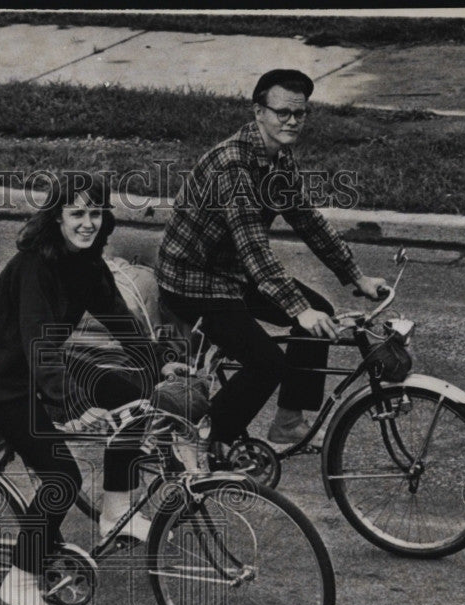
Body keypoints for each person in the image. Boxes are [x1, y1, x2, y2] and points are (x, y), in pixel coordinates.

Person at [0, 174, 158, 605]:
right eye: (76, 214)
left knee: (131, 393)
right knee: (62, 476)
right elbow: (37, 344)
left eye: (95, 213)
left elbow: (121, 322)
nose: (87, 223)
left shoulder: (88, 264)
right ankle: (21, 580)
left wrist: (159, 367)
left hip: (36, 373)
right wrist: (70, 406)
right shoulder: (36, 266)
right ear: (57, 218)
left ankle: (116, 511)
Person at [155, 68, 386, 449]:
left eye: (300, 113)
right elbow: (253, 248)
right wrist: (297, 309)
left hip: (232, 273)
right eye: (283, 112)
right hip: (194, 281)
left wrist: (355, 276)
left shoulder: (277, 157)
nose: (292, 121)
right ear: (258, 111)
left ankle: (288, 424)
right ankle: (204, 444)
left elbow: (306, 218)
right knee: (267, 364)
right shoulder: (233, 165)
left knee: (320, 311)